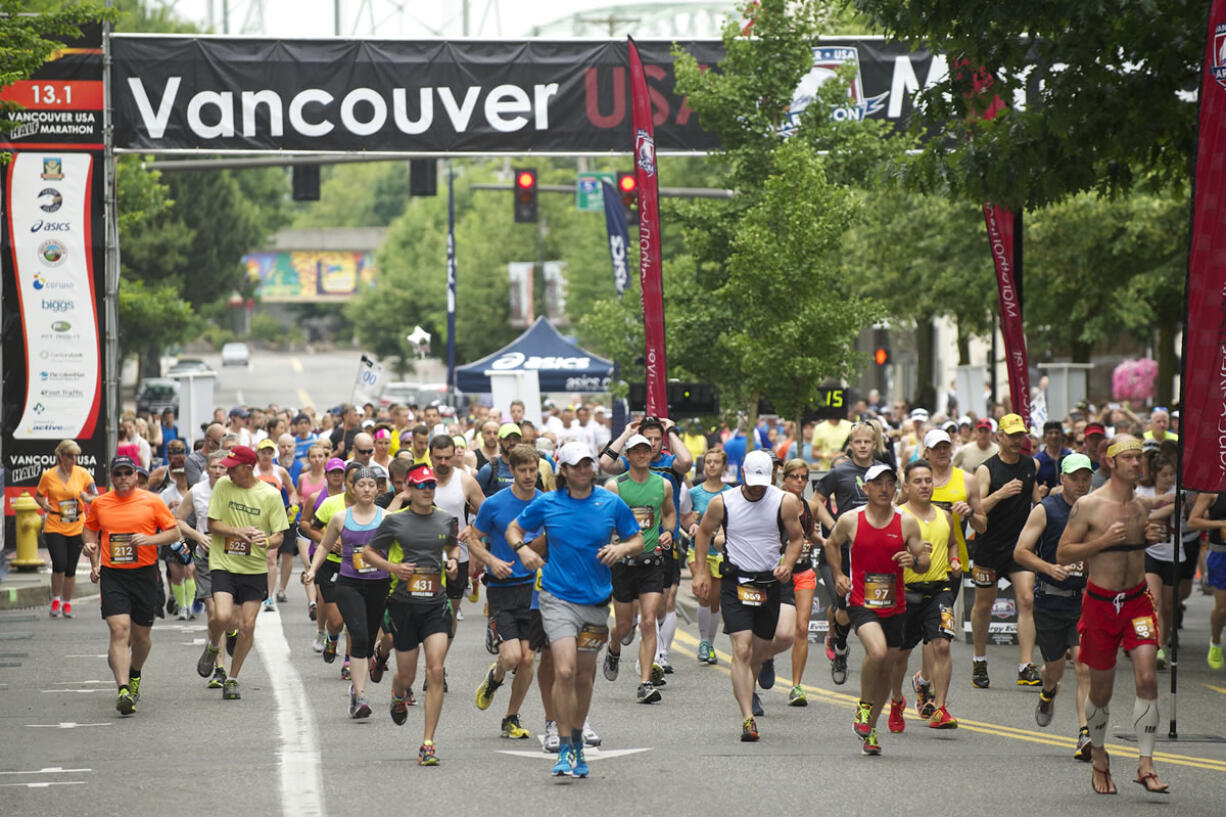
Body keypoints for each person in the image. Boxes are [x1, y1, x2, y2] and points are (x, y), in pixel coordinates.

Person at [506, 441, 645, 777]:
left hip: (596, 601)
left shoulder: (610, 502)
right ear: (563, 471)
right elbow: (514, 529)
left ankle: (578, 738)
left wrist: (622, 549)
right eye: (576, 465)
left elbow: (637, 538)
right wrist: (522, 550)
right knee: (564, 670)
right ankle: (564, 743)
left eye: (587, 464)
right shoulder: (548, 503)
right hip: (557, 598)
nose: (583, 470)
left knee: (584, 675)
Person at [1057, 435, 1170, 795]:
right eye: (1131, 458)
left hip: (1137, 601)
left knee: (1148, 677)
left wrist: (1150, 538)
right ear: (1112, 462)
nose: (1138, 463)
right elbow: (1063, 553)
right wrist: (1101, 542)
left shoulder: (1140, 506)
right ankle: (1101, 756)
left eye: (1141, 458)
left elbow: (1153, 523)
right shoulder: (1089, 506)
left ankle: (1146, 763)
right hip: (1101, 604)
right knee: (1101, 693)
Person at [691, 449, 806, 742]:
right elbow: (703, 533)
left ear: (772, 477)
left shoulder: (784, 502)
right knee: (741, 649)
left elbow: (796, 538)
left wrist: (788, 564)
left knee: (759, 649)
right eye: (752, 480)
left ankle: (752, 683)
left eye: (762, 481)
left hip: (769, 582)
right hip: (736, 581)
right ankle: (747, 718)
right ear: (742, 474)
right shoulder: (723, 503)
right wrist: (702, 572)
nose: (757, 487)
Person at [825, 463, 929, 755]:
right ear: (866, 488)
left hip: (895, 605)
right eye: (878, 483)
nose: (885, 489)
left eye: (890, 483)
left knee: (887, 670)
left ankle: (870, 728)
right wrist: (838, 575)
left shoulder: (906, 522)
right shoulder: (850, 519)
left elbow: (924, 562)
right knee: (878, 653)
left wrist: (914, 562)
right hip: (862, 602)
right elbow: (832, 544)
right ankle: (863, 706)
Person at [362, 464, 460, 766]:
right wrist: (393, 568)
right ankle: (398, 692)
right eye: (422, 485)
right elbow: (368, 553)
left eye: (431, 485)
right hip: (404, 606)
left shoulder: (446, 519)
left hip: (435, 605)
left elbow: (453, 547)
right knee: (407, 676)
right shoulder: (395, 522)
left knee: (435, 671)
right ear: (410, 489)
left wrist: (453, 562)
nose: (428, 490)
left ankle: (427, 743)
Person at [83, 456, 182, 715]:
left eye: (128, 473)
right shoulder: (101, 503)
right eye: (119, 474)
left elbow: (173, 533)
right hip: (114, 575)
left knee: (142, 637)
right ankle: (124, 689)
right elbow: (90, 530)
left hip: (145, 575)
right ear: (112, 478)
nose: (124, 477)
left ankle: (134, 672)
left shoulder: (152, 501)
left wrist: (150, 540)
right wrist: (92, 552)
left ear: (136, 477)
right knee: (119, 630)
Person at [1014, 452, 1094, 760]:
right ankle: (1048, 692)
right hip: (1049, 600)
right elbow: (1020, 552)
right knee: (1055, 670)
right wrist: (1049, 568)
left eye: (1086, 478)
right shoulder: (1046, 510)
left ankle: (1085, 735)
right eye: (1075, 478)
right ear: (1062, 479)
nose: (1081, 484)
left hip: (1083, 602)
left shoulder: (1097, 510)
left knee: (1084, 665)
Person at [469, 444, 544, 739]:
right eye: (522, 470)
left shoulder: (545, 502)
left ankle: (510, 717)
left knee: (527, 659)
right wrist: (491, 560)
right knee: (512, 657)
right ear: (510, 470)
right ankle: (496, 676)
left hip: (535, 591)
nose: (528, 475)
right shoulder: (494, 504)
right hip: (501, 589)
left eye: (532, 470)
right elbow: (473, 539)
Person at [206, 445, 289, 700]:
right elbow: (212, 523)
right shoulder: (223, 487)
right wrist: (237, 532)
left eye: (233, 469)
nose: (227, 473)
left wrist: (266, 540)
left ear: (248, 468)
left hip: (253, 567)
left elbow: (279, 536)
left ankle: (232, 677)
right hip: (224, 563)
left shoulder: (270, 495)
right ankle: (212, 646)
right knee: (221, 615)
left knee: (247, 625)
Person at [305, 467, 387, 719]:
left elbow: (399, 549)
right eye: (361, 484)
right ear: (352, 488)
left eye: (370, 485)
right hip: (349, 583)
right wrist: (312, 570)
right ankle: (361, 696)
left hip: (379, 584)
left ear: (377, 489)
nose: (365, 489)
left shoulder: (387, 518)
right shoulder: (340, 517)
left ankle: (356, 687)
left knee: (370, 638)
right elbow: (324, 546)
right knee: (359, 634)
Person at [813, 421, 888, 684]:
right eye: (858, 442)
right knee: (842, 610)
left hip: (874, 550)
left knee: (876, 608)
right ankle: (841, 650)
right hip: (843, 552)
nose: (863, 446)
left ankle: (878, 658)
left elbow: (895, 499)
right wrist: (834, 526)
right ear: (850, 445)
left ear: (874, 444)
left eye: (867, 442)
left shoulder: (883, 471)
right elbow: (815, 501)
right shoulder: (840, 471)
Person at [603, 433, 676, 704]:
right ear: (629, 456)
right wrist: (611, 542)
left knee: (648, 621)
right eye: (637, 451)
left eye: (647, 449)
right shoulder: (615, 486)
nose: (643, 454)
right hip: (623, 564)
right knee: (623, 626)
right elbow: (605, 521)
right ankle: (613, 647)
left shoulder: (663, 485)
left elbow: (668, 512)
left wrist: (668, 532)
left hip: (651, 561)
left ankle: (645, 682)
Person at [971, 413, 1043, 689]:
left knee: (1026, 600)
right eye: (1011, 435)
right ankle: (979, 660)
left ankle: (1026, 665)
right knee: (984, 605)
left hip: (1019, 547)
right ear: (999, 436)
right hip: (989, 547)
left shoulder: (1030, 465)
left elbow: (1036, 500)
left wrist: (1043, 501)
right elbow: (978, 509)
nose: (1016, 440)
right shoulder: (987, 470)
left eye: (1020, 435)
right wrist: (1001, 494)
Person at [887, 459, 959, 731]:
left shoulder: (944, 515)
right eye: (918, 481)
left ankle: (940, 708)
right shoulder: (897, 516)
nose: (925, 485)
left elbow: (953, 543)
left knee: (941, 645)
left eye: (928, 480)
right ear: (906, 485)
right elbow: (885, 554)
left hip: (939, 589)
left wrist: (953, 561)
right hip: (906, 593)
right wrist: (910, 553)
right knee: (900, 654)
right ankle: (896, 702)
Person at [178, 451, 229, 688]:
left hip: (233, 557)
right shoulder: (197, 491)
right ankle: (220, 668)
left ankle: (214, 644)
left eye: (222, 467)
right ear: (206, 468)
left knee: (230, 618)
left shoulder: (236, 490)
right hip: (206, 558)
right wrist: (198, 536)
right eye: (214, 467)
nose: (217, 471)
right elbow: (176, 520)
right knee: (213, 611)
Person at [36, 439, 98, 619]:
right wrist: (44, 505)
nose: (74, 460)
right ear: (60, 457)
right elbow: (38, 496)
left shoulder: (83, 474)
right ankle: (56, 598)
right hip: (55, 524)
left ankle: (67, 602)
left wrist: (87, 498)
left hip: (77, 525)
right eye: (70, 456)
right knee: (59, 564)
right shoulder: (48, 475)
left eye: (76, 456)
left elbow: (96, 496)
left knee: (71, 568)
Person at [780, 458, 822, 706]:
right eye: (794, 476)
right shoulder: (775, 503)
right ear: (784, 479)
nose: (799, 481)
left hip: (804, 571)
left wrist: (827, 542)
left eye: (803, 477)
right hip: (778, 573)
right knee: (773, 629)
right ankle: (766, 660)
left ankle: (796, 685)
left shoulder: (811, 507)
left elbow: (810, 534)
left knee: (802, 628)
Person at [687, 448, 733, 664]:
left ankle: (709, 642)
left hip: (721, 552)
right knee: (703, 594)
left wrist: (723, 533)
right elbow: (685, 519)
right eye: (708, 462)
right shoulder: (694, 493)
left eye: (716, 462)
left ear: (724, 466)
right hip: (698, 550)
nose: (712, 465)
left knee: (715, 600)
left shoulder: (731, 492)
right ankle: (703, 643)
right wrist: (693, 526)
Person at [1186, 490, 1226, 670]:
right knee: (1222, 608)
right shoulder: (1213, 491)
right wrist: (1220, 523)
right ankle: (1216, 642)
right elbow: (1193, 521)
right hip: (1221, 553)